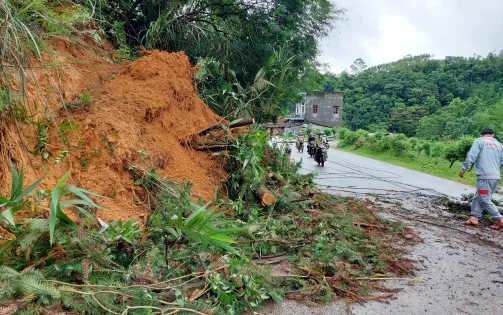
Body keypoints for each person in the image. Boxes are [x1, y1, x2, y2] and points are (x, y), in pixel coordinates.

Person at [460, 128, 503, 230]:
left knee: (484, 199)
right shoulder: (500, 145)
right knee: (478, 196)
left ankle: (499, 219)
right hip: (495, 177)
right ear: (492, 135)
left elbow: (472, 155)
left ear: (482, 135)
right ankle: (474, 218)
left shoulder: (479, 141)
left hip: (485, 176)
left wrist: (464, 168)